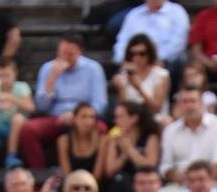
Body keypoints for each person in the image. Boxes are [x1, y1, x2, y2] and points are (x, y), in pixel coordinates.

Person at [19, 33, 108, 172]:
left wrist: (76, 115)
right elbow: (41, 106)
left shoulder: (93, 69)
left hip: (84, 116)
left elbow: (99, 104)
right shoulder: (48, 68)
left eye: (69, 54)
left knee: (101, 129)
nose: (64, 57)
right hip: (56, 118)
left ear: (79, 53)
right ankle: (39, 174)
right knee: (28, 129)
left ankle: (96, 173)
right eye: (62, 53)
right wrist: (51, 79)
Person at [112, 0, 189, 72]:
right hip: (137, 61)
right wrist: (122, 60)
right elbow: (123, 40)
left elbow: (179, 43)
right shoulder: (134, 15)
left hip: (165, 62)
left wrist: (154, 60)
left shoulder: (177, 12)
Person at [160, 84, 217, 184]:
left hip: (210, 184)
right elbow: (165, 165)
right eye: (185, 102)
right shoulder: (170, 130)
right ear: (179, 105)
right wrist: (175, 175)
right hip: (179, 185)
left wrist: (200, 180)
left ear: (202, 103)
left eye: (193, 101)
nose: (189, 106)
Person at [99, 100, 162, 192]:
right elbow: (109, 171)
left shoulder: (150, 137)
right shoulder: (115, 138)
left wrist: (129, 149)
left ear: (133, 118)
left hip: (143, 179)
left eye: (120, 117)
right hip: (120, 182)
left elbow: (150, 166)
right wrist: (124, 154)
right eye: (115, 117)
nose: (116, 121)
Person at [112, 34, 171, 123]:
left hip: (154, 120)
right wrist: (121, 89)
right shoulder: (123, 76)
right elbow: (123, 108)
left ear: (149, 54)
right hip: (131, 122)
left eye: (142, 54)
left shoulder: (161, 75)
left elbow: (156, 109)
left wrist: (138, 87)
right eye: (133, 54)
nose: (137, 58)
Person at [58, 100, 103, 181]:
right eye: (84, 117)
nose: (88, 122)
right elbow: (66, 174)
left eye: (92, 117)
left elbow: (97, 175)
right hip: (71, 185)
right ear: (74, 118)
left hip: (95, 186)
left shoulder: (102, 140)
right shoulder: (64, 141)